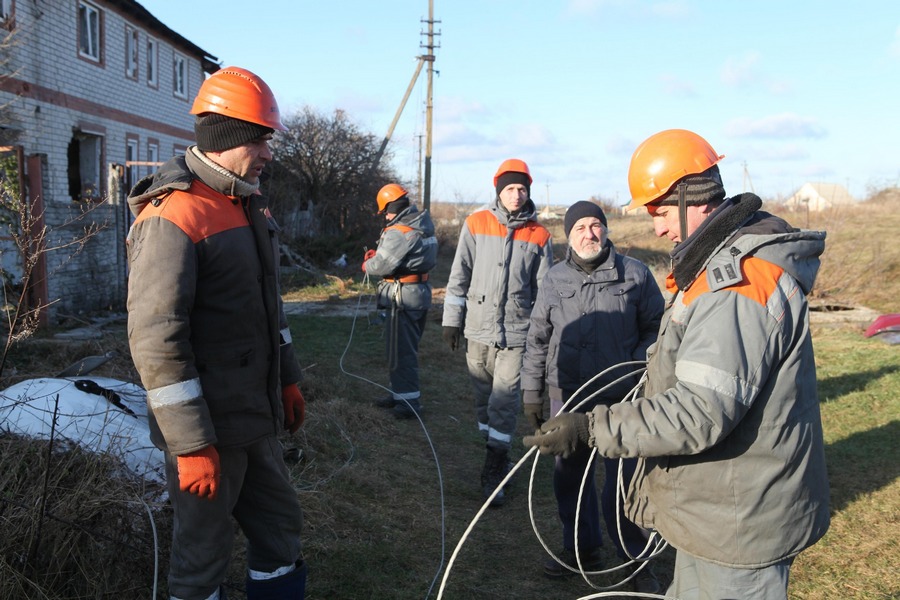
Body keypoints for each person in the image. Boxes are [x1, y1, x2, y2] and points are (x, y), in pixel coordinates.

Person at [524, 129, 830, 599]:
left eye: (662, 212)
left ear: (695, 197)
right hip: (718, 510)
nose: (659, 228)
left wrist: (591, 429)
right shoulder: (714, 269)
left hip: (739, 522)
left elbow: (698, 410)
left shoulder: (738, 285)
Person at [127, 66, 307, 600]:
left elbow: (269, 310)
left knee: (280, 533)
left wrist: (289, 380)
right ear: (227, 138)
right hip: (208, 432)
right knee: (200, 559)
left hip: (256, 418)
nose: (268, 153)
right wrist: (190, 444)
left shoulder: (246, 204)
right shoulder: (173, 215)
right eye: (260, 139)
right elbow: (156, 341)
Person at [521, 201, 664, 589]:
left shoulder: (635, 274)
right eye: (580, 227)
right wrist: (531, 393)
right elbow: (537, 338)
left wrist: (636, 367)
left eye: (596, 225)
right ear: (569, 234)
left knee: (625, 482)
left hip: (623, 399)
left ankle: (635, 559)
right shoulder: (553, 278)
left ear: (606, 229)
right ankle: (580, 549)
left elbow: (657, 330)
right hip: (567, 395)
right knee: (570, 478)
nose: (589, 233)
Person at [442, 158, 554, 507]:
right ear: (499, 191)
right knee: (483, 400)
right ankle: (499, 452)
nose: (517, 195)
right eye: (510, 189)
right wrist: (451, 319)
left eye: (522, 189)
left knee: (503, 400)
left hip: (518, 333)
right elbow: (459, 273)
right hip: (477, 328)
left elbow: (545, 290)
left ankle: (494, 470)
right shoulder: (476, 223)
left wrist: (542, 334)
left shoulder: (540, 234)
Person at [363, 183, 438, 419]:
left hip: (403, 296)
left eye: (385, 211)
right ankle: (400, 394)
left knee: (401, 351)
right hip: (418, 293)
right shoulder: (422, 224)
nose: (385, 216)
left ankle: (409, 404)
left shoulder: (399, 231)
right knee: (404, 349)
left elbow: (380, 266)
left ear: (391, 207)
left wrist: (368, 264)